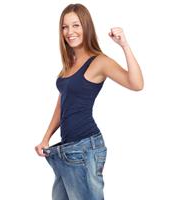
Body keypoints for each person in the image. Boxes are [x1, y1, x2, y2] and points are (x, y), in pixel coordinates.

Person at [35, 3, 144, 200]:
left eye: (76, 25)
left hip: (85, 148)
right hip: (65, 149)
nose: (70, 32)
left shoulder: (99, 61)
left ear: (86, 27)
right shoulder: (69, 64)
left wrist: (125, 45)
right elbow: (63, 104)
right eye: (65, 27)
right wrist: (46, 137)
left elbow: (136, 84)